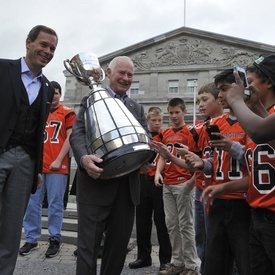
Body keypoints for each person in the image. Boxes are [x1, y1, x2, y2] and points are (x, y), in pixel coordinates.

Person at [70, 56, 150, 275]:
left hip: (126, 190)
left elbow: (147, 138)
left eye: (130, 75)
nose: (126, 78)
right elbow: (77, 134)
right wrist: (84, 158)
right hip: (94, 185)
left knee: (117, 251)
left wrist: (146, 157)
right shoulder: (91, 99)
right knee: (88, 249)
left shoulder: (137, 108)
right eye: (121, 73)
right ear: (108, 72)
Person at [202, 54, 275, 275]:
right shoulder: (261, 116)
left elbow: (259, 132)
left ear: (269, 82)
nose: (246, 88)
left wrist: (237, 101)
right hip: (258, 213)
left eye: (250, 82)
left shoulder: (253, 122)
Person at [0, 25, 58, 274]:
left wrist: (37, 170)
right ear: (28, 42)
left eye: (52, 48)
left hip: (25, 163)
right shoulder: (3, 68)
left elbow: (38, 133)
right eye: (43, 45)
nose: (47, 51)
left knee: (12, 229)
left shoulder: (46, 87)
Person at [183, 69, 251, 275]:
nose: (220, 95)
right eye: (219, 90)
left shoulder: (251, 121)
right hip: (217, 200)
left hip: (243, 200)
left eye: (224, 89)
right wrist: (202, 163)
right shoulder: (216, 124)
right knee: (214, 262)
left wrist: (233, 148)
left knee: (245, 261)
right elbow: (215, 161)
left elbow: (255, 161)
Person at [19, 81, 76, 257]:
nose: (53, 96)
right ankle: (31, 238)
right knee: (32, 204)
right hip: (38, 165)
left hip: (58, 166)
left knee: (55, 204)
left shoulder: (67, 112)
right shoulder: (39, 112)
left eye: (56, 93)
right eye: (50, 93)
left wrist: (59, 159)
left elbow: (70, 137)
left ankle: (54, 238)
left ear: (61, 94)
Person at [154, 98, 201, 275]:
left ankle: (191, 265)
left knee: (186, 225)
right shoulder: (165, 133)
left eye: (177, 112)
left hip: (184, 183)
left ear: (184, 112)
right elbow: (163, 156)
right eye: (171, 112)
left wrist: (193, 179)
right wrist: (159, 172)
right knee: (172, 225)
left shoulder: (191, 132)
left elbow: (198, 158)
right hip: (168, 183)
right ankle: (178, 263)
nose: (173, 116)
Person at [129, 107, 172, 271]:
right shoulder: (141, 136)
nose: (157, 123)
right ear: (147, 121)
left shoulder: (164, 136)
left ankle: (165, 259)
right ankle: (143, 256)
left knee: (162, 222)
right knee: (142, 221)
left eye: (160, 120)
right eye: (154, 120)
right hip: (142, 181)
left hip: (158, 183)